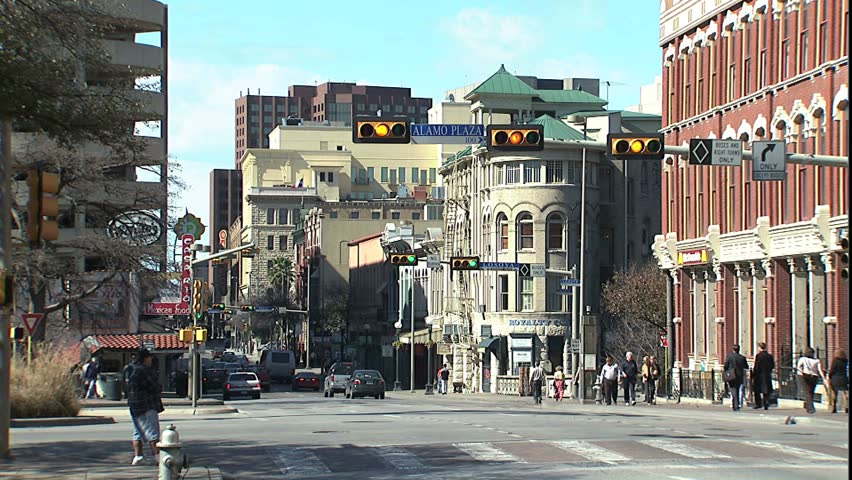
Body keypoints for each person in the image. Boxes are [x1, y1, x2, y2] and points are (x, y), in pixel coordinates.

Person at [127, 348, 163, 465]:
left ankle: (138, 456)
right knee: (153, 432)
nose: (151, 359)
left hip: (134, 405)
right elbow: (153, 386)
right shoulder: (144, 370)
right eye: (149, 357)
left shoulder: (130, 369)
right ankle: (157, 457)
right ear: (145, 358)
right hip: (146, 404)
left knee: (138, 432)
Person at [796, 347, 827, 414]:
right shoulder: (817, 361)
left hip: (804, 376)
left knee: (807, 391)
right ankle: (809, 406)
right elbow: (820, 370)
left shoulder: (802, 359)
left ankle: (810, 407)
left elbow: (799, 367)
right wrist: (824, 378)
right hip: (814, 376)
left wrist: (801, 372)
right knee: (811, 391)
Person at [724, 344, 748, 411]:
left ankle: (735, 404)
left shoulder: (729, 356)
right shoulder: (742, 358)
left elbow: (726, 365)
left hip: (731, 375)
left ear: (733, 349)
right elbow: (746, 366)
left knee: (733, 389)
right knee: (737, 390)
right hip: (739, 375)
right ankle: (737, 404)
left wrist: (726, 371)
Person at [751, 342, 775, 410]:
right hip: (767, 375)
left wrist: (754, 374)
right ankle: (766, 403)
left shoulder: (758, 356)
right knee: (766, 390)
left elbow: (757, 366)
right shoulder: (770, 356)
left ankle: (758, 404)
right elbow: (772, 365)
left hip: (759, 375)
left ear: (759, 348)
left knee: (757, 390)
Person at [828, 350, 848, 414]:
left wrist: (829, 376)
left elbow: (832, 370)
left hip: (835, 378)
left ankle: (834, 407)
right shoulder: (845, 361)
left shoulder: (835, 361)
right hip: (843, 378)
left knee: (834, 394)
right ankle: (847, 407)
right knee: (845, 393)